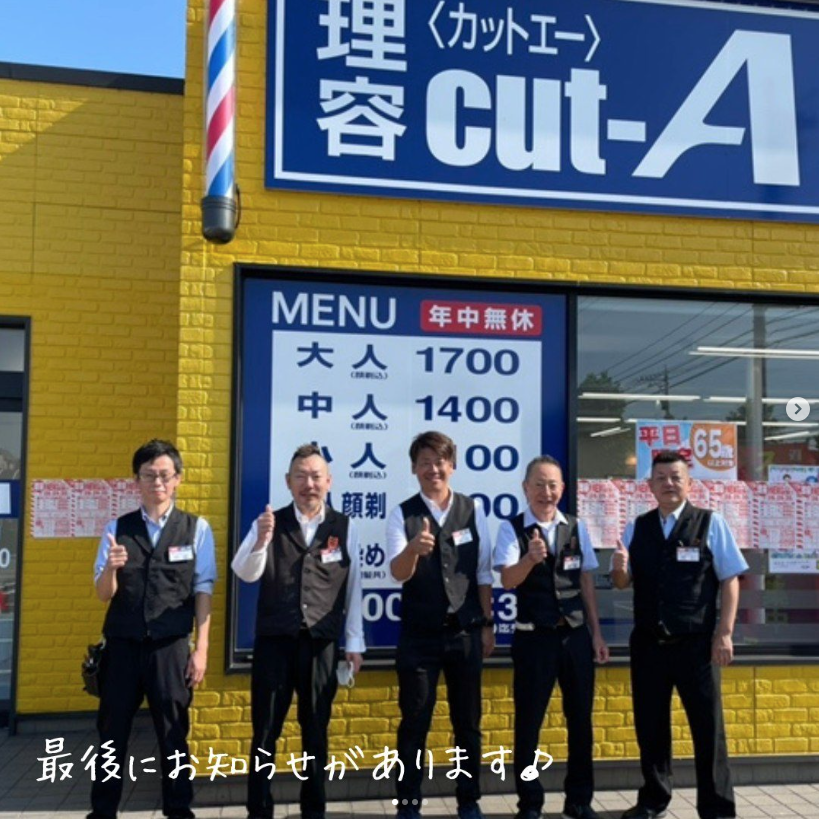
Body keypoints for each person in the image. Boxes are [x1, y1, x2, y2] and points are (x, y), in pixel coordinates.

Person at [611, 450, 748, 819]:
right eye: (661, 478)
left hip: (697, 645)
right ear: (650, 485)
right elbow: (622, 582)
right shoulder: (636, 527)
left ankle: (717, 808)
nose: (668, 484)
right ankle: (653, 799)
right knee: (651, 726)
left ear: (689, 484)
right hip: (649, 644)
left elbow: (730, 579)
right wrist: (619, 568)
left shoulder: (710, 523)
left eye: (676, 477)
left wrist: (724, 633)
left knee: (708, 729)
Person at [232, 443, 365, 819]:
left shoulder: (344, 526)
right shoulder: (269, 522)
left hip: (321, 644)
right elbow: (244, 572)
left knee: (315, 732)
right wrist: (261, 541)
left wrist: (354, 642)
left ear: (329, 481)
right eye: (301, 476)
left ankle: (313, 810)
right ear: (288, 481)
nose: (309, 484)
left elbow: (354, 586)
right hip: (274, 642)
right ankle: (259, 810)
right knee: (265, 732)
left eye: (316, 476)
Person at [89, 439, 216, 819]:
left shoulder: (196, 529)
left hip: (170, 648)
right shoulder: (117, 528)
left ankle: (178, 811)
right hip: (122, 647)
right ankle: (102, 812)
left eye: (164, 475)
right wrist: (111, 567)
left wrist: (201, 650)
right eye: (149, 475)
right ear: (137, 480)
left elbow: (204, 590)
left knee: (174, 736)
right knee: (111, 738)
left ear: (177, 479)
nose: (157, 482)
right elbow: (103, 594)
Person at [387, 431, 495, 819]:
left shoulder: (472, 510)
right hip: (419, 635)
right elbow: (397, 572)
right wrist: (413, 550)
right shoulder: (402, 514)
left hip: (465, 632)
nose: (433, 469)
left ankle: (469, 800)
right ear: (414, 468)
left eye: (440, 461)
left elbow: (483, 572)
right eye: (425, 462)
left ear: (452, 465)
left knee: (468, 723)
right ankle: (408, 801)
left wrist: (487, 623)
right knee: (414, 720)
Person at [494, 456, 608, 819]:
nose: (547, 492)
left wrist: (596, 634)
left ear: (562, 488)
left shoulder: (575, 526)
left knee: (580, 721)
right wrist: (529, 560)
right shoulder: (511, 529)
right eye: (539, 484)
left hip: (574, 636)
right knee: (529, 724)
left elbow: (586, 581)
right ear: (526, 488)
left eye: (553, 484)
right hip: (534, 639)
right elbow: (507, 580)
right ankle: (530, 803)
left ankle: (579, 800)